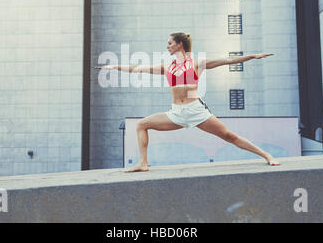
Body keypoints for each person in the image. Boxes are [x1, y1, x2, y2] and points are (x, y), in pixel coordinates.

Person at [95, 32, 281, 172]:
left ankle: (266, 155)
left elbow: (228, 60)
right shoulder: (167, 67)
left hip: (195, 110)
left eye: (170, 43)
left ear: (179, 45)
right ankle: (143, 163)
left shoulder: (197, 63)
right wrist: (114, 66)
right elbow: (137, 68)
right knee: (142, 125)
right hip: (176, 113)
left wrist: (252, 56)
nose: (167, 46)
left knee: (229, 137)